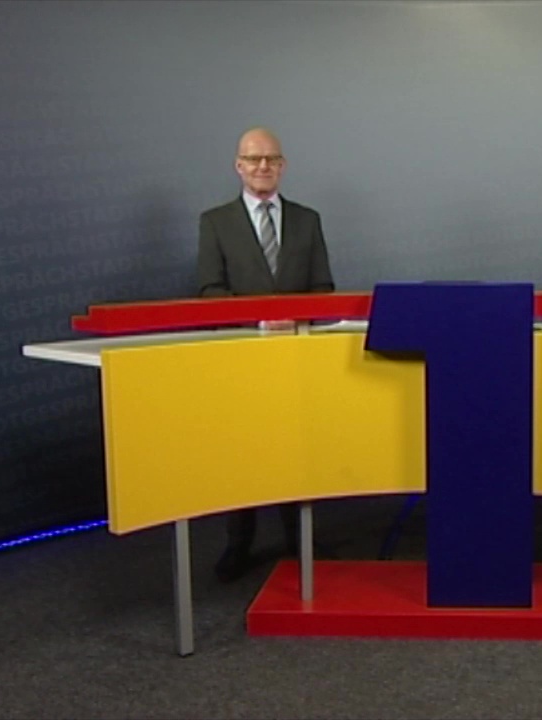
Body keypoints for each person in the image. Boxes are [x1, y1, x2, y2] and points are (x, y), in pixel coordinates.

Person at [196, 127, 335, 582]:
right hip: (243, 359)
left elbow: (323, 289)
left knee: (297, 450)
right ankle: (239, 543)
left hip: (297, 359)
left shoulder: (307, 220)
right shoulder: (215, 222)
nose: (263, 167)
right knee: (244, 453)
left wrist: (296, 319)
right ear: (238, 166)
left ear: (283, 166)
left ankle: (300, 540)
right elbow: (210, 291)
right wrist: (257, 321)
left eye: (271, 159)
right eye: (254, 159)